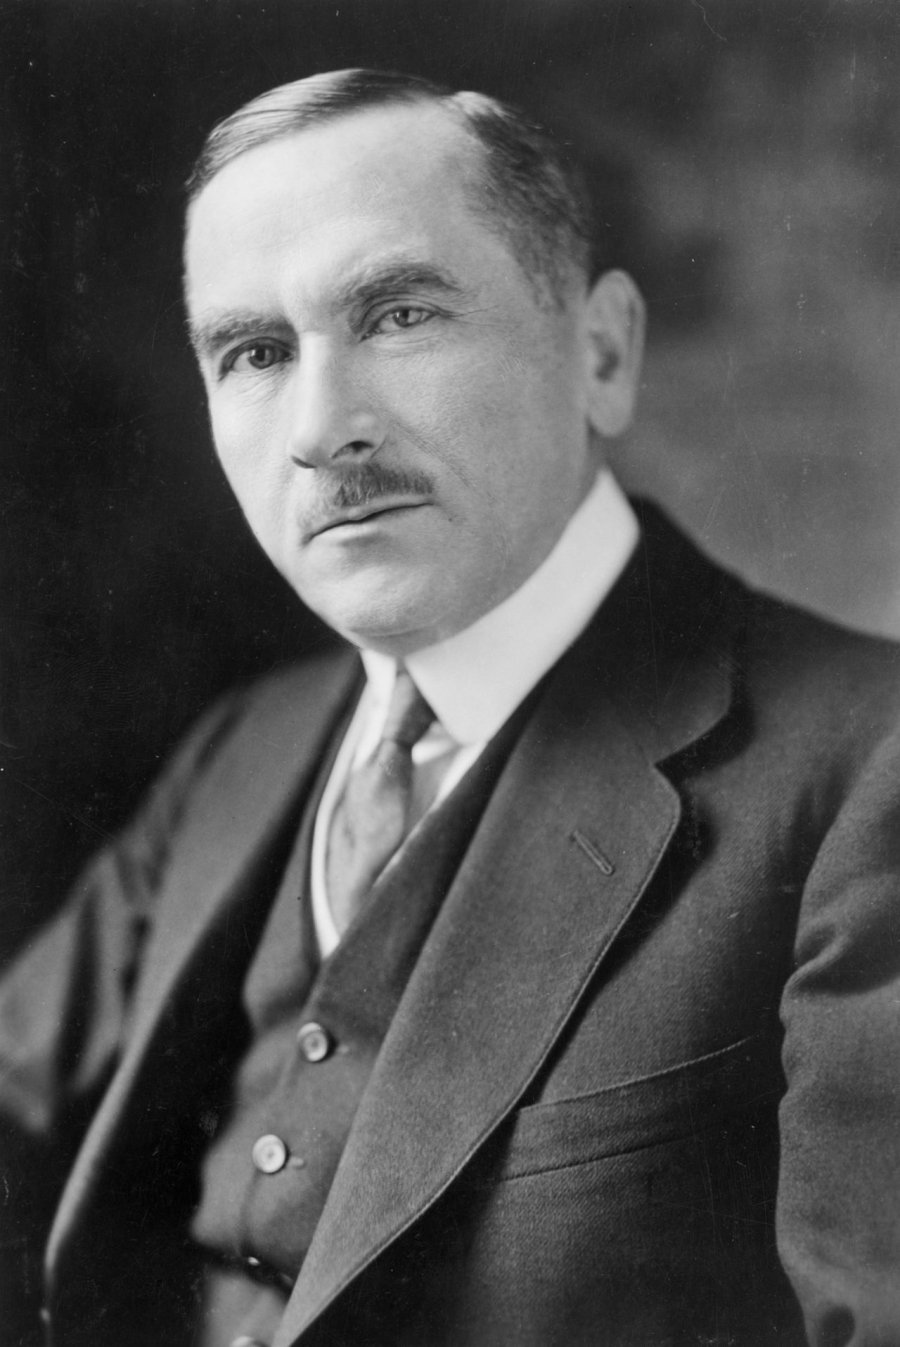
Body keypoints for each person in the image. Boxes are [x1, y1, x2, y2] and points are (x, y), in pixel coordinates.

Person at [3, 67, 900, 1347]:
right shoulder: (245, 748)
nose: (321, 430)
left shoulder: (868, 768)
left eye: (401, 314)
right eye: (255, 353)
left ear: (602, 353)